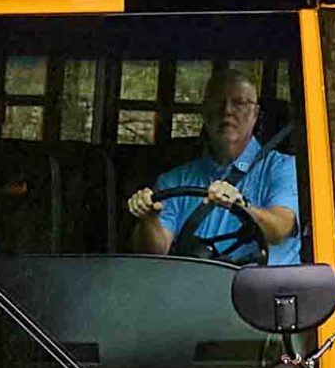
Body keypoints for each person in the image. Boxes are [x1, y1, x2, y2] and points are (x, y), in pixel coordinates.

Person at [127, 66, 300, 265]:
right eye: (218, 103)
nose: (227, 111)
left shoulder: (283, 168)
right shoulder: (173, 179)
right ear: (204, 112)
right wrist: (149, 220)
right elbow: (154, 254)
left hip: (261, 291)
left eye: (239, 103)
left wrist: (242, 207)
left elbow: (279, 229)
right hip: (192, 289)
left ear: (255, 113)